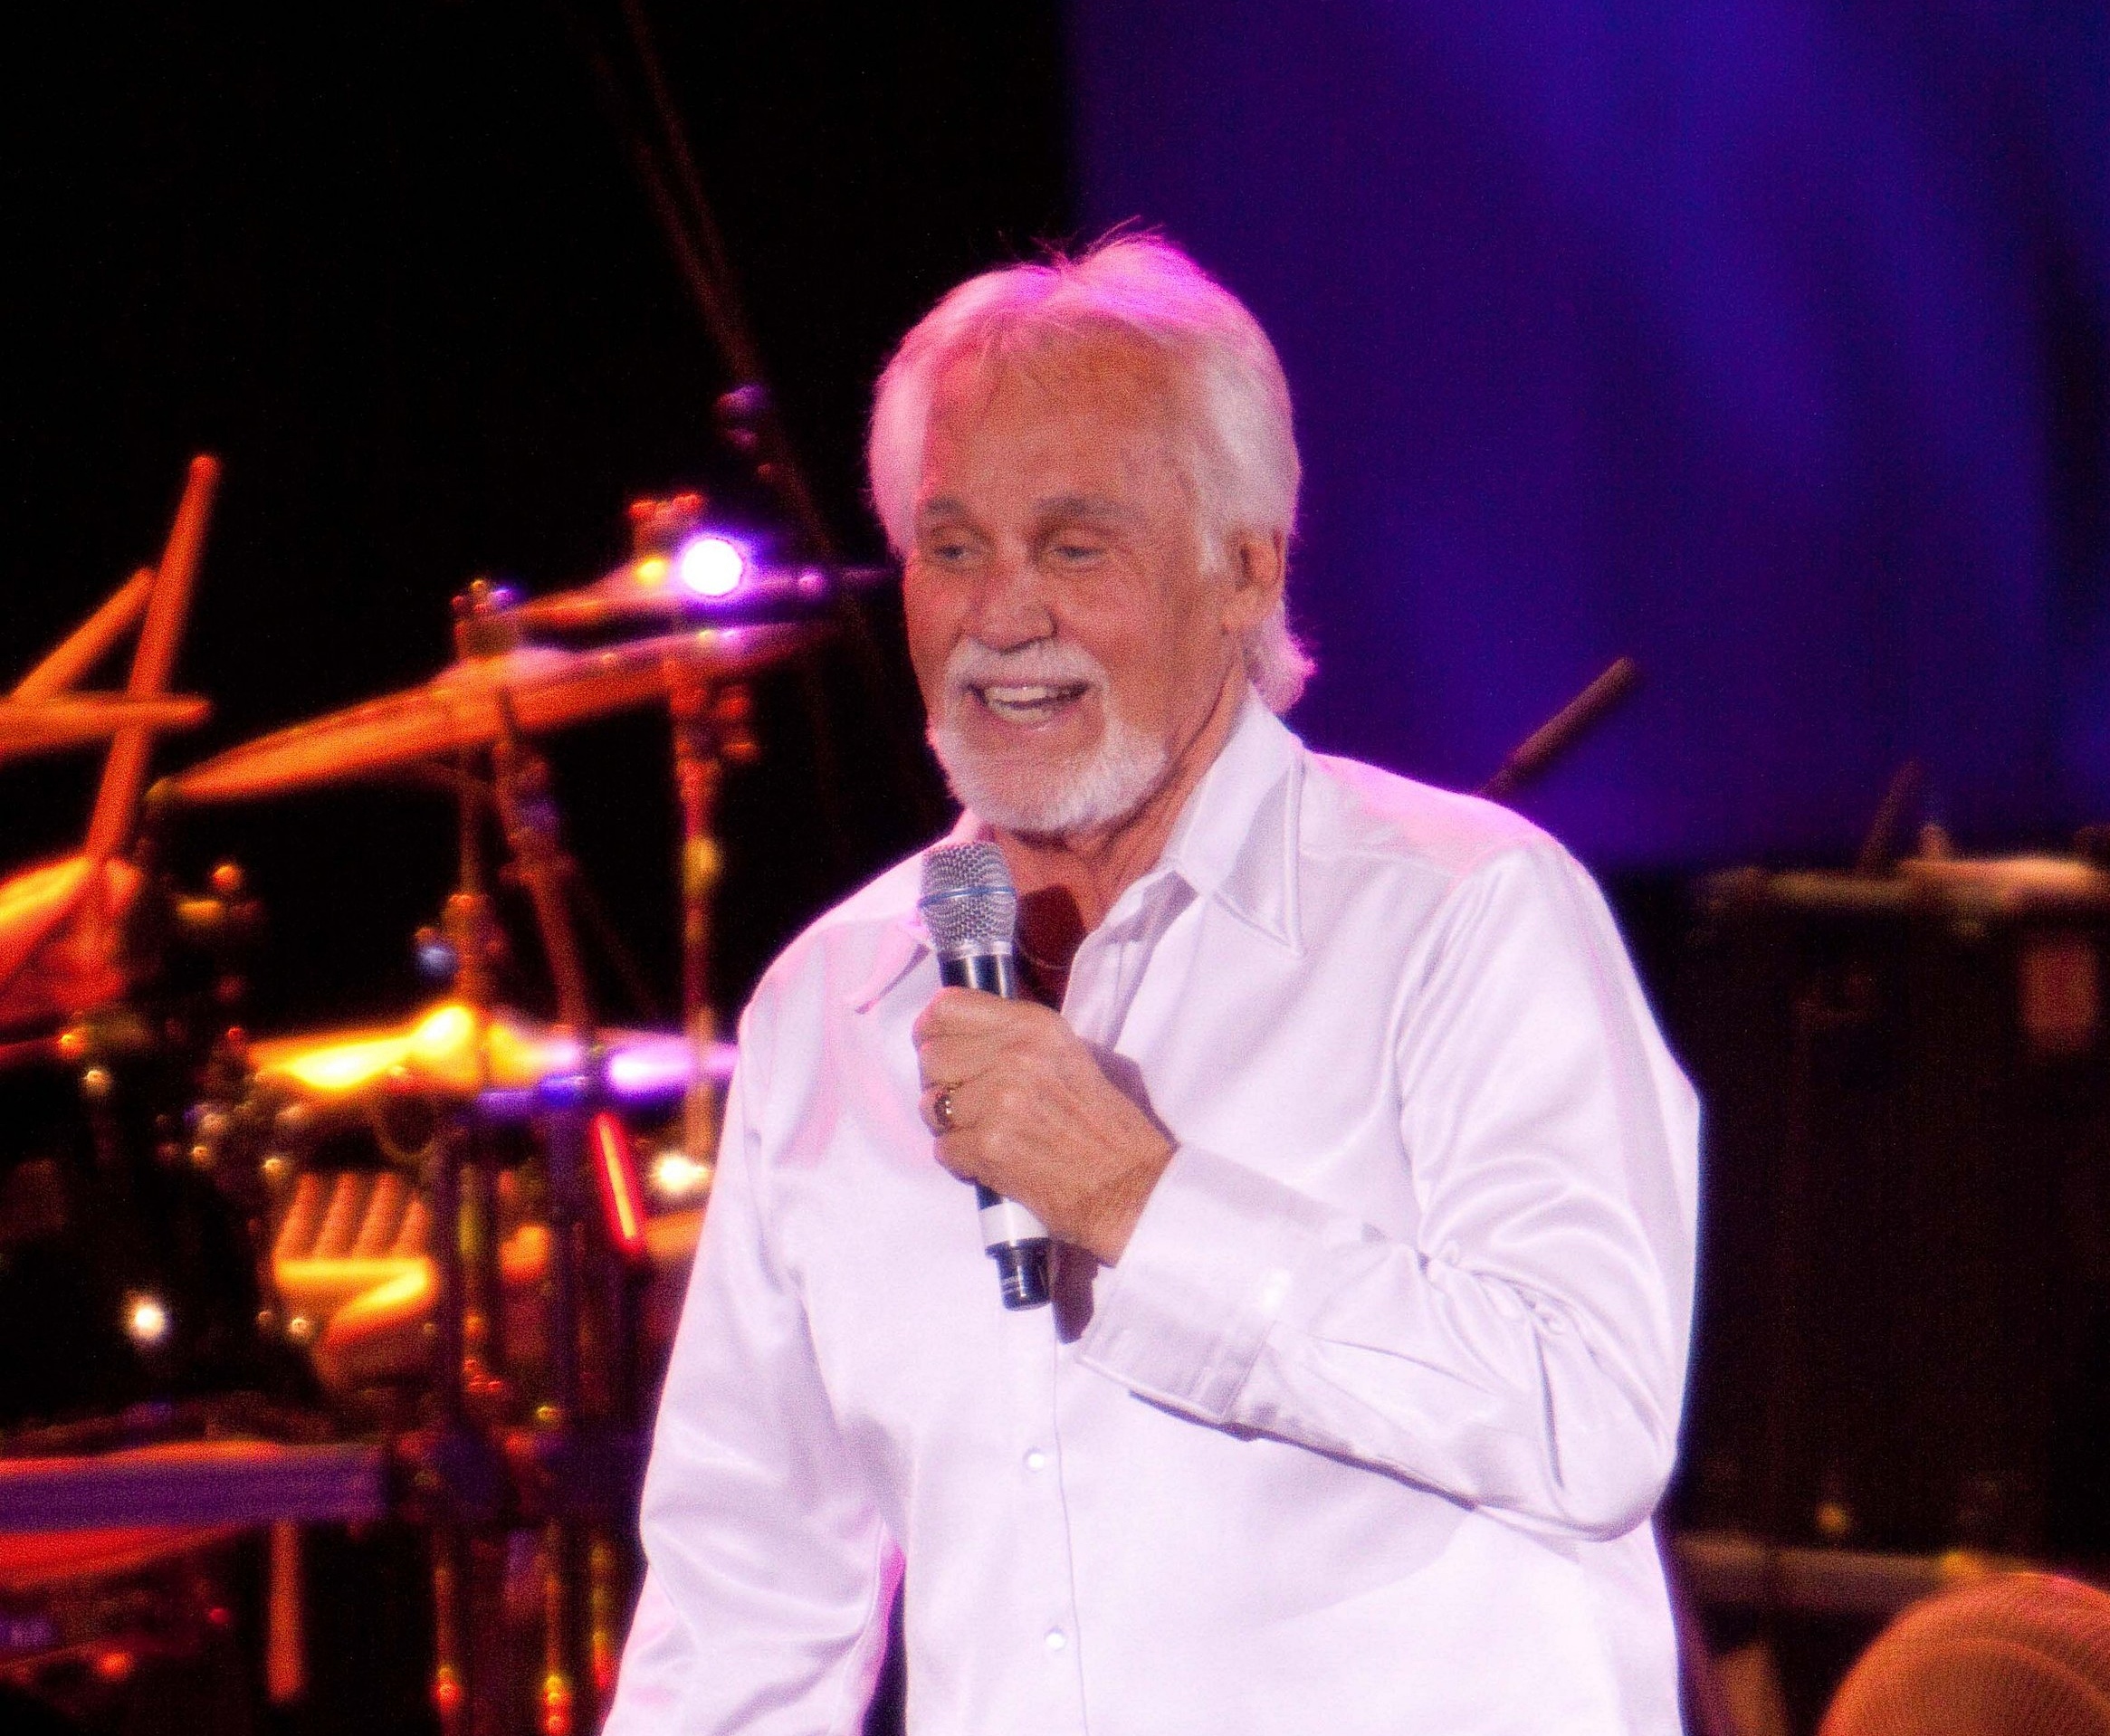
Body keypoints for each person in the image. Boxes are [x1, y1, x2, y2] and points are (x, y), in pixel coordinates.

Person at [605, 234, 1698, 1736]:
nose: (1001, 616)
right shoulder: (831, 1004)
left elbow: (1592, 1415)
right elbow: (746, 1601)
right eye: (953, 548)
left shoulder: (1465, 914)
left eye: (1074, 548)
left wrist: (1143, 1205)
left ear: (1246, 569)